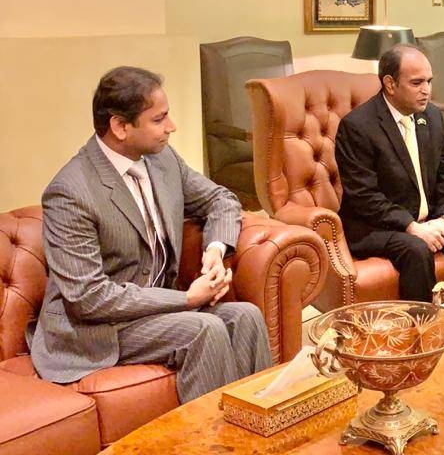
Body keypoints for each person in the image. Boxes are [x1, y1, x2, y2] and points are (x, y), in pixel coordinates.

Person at [30, 67, 272, 403]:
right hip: (96, 329)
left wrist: (215, 249)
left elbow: (220, 199)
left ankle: (261, 427)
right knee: (204, 328)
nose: (171, 126)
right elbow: (89, 299)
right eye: (159, 119)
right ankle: (213, 449)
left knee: (246, 316)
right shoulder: (70, 192)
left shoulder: (162, 160)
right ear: (120, 126)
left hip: (154, 310)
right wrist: (188, 299)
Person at [334, 45, 444, 321]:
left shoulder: (431, 116)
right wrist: (412, 227)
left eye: (429, 82)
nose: (426, 90)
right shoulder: (358, 127)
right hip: (378, 226)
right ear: (390, 84)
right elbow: (364, 196)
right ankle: (420, 339)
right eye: (417, 83)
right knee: (416, 249)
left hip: (430, 218)